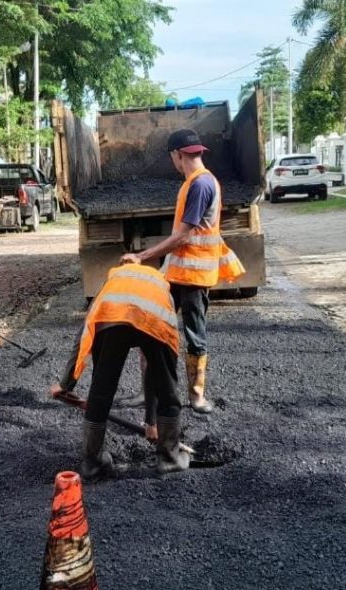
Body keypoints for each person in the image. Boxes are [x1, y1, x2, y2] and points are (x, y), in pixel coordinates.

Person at [120, 128, 245, 414]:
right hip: (176, 275)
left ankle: (196, 397)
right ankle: (147, 393)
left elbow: (184, 236)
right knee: (150, 328)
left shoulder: (201, 184)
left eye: (174, 158)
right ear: (197, 152)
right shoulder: (192, 182)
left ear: (177, 155)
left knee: (195, 336)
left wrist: (143, 255)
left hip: (194, 279)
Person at [50, 263, 190, 478]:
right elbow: (154, 368)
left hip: (111, 317)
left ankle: (92, 463)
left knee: (101, 388)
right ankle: (170, 459)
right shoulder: (163, 289)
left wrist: (65, 383)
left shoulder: (111, 284)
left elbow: (82, 337)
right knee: (168, 388)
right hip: (154, 319)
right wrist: (151, 420)